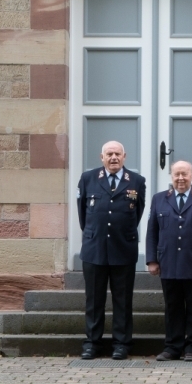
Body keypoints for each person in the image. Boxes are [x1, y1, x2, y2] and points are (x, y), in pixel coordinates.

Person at [76, 140, 146, 360]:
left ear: (124, 156)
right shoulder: (88, 179)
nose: (113, 157)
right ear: (102, 157)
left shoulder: (136, 181)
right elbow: (83, 214)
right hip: (94, 248)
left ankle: (122, 344)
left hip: (123, 248)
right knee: (94, 300)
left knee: (122, 300)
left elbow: (138, 212)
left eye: (117, 154)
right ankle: (92, 343)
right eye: (109, 154)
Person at [145, 160, 192, 362]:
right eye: (177, 174)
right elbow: (152, 231)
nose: (180, 178)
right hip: (168, 262)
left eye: (184, 174)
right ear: (171, 175)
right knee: (173, 306)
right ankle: (173, 347)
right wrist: (152, 259)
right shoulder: (159, 199)